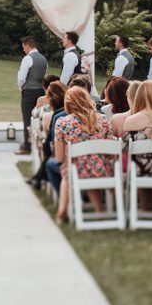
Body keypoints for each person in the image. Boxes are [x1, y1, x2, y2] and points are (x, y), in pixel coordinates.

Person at [53, 86, 114, 223]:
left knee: (67, 170)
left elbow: (59, 158)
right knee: (88, 164)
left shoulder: (63, 122)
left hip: (76, 171)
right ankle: (99, 210)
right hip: (102, 169)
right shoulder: (104, 120)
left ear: (68, 104)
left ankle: (63, 209)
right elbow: (111, 154)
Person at [114, 80, 152, 209]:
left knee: (138, 162)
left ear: (139, 96)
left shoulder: (131, 121)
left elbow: (124, 148)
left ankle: (144, 206)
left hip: (139, 170)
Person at [16, 36, 48, 155]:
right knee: (39, 118)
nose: (23, 50)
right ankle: (38, 144)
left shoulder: (27, 58)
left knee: (27, 119)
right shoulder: (44, 59)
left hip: (29, 92)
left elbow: (21, 78)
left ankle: (27, 146)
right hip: (41, 92)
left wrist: (22, 88)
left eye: (24, 47)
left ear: (28, 46)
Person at [34, 81, 68, 192]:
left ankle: (62, 196)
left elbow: (53, 143)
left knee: (47, 152)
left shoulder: (56, 116)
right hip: (95, 164)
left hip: (62, 156)